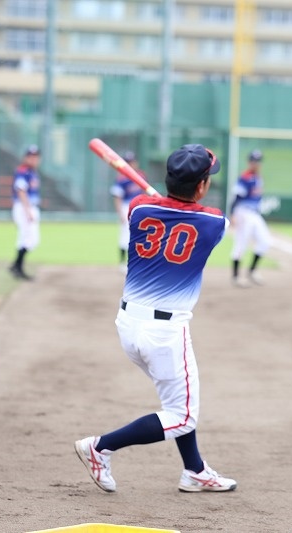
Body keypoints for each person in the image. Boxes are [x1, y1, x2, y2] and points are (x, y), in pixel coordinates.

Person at [74, 144, 237, 494]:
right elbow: (197, 215)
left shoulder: (138, 207)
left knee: (177, 399)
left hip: (129, 326)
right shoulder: (214, 222)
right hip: (164, 334)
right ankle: (100, 447)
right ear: (201, 186)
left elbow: (166, 211)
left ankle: (194, 470)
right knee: (183, 415)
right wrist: (179, 204)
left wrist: (169, 202)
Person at [230, 149, 271, 287]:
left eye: (258, 161)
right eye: (254, 161)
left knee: (265, 241)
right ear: (249, 162)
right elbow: (236, 197)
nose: (256, 163)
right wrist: (233, 214)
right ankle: (236, 277)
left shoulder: (258, 178)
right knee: (241, 243)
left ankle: (252, 271)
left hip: (254, 214)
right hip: (243, 212)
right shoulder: (245, 177)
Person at [9, 145, 41, 281]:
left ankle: (16, 266)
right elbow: (21, 190)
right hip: (23, 207)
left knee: (29, 239)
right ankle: (18, 267)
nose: (34, 159)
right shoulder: (23, 171)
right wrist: (27, 211)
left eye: (36, 157)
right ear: (25, 158)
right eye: (31, 157)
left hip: (29, 207)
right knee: (28, 238)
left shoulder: (31, 172)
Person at [110, 151, 146, 274]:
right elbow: (117, 197)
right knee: (125, 235)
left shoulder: (141, 175)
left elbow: (144, 193)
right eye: (128, 162)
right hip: (126, 207)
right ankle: (122, 262)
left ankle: (138, 263)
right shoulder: (121, 178)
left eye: (132, 162)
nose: (131, 164)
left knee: (141, 235)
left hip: (139, 207)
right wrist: (120, 213)